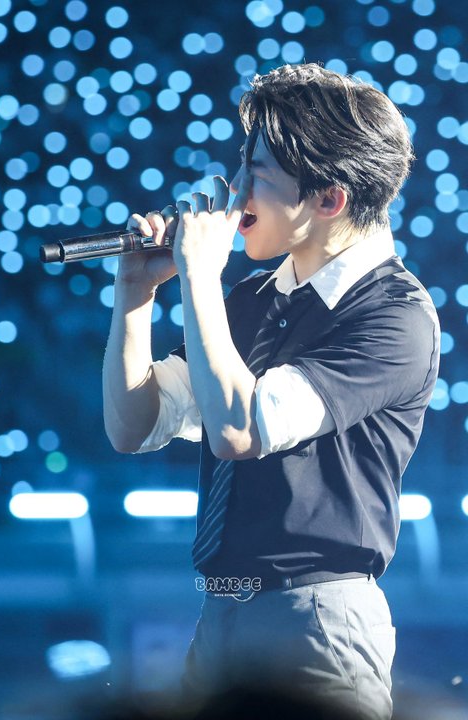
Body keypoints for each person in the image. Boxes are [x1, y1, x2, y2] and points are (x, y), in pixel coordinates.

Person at [102, 63, 440, 720]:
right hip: (218, 615)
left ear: (329, 200)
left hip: (316, 619)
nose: (233, 190)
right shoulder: (252, 298)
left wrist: (200, 277)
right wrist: (135, 295)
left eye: (256, 171)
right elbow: (133, 426)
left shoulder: (393, 315)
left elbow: (240, 429)